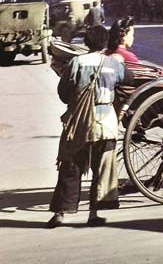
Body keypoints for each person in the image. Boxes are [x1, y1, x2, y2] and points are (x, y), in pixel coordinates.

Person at [46, 25, 134, 229]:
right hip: (107, 124)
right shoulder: (114, 63)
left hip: (80, 124)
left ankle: (60, 214)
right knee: (101, 170)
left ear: (86, 42)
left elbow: (64, 92)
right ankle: (93, 214)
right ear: (105, 43)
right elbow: (129, 79)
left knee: (71, 167)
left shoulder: (76, 62)